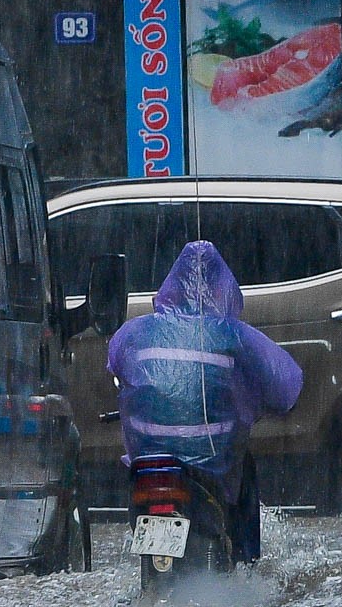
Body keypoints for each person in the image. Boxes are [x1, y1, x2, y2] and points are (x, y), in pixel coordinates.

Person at [106, 240, 303, 563]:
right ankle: (246, 562)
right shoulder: (230, 334)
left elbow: (116, 366)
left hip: (148, 462)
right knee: (246, 471)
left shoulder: (135, 331)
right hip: (212, 465)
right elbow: (285, 385)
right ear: (222, 288)